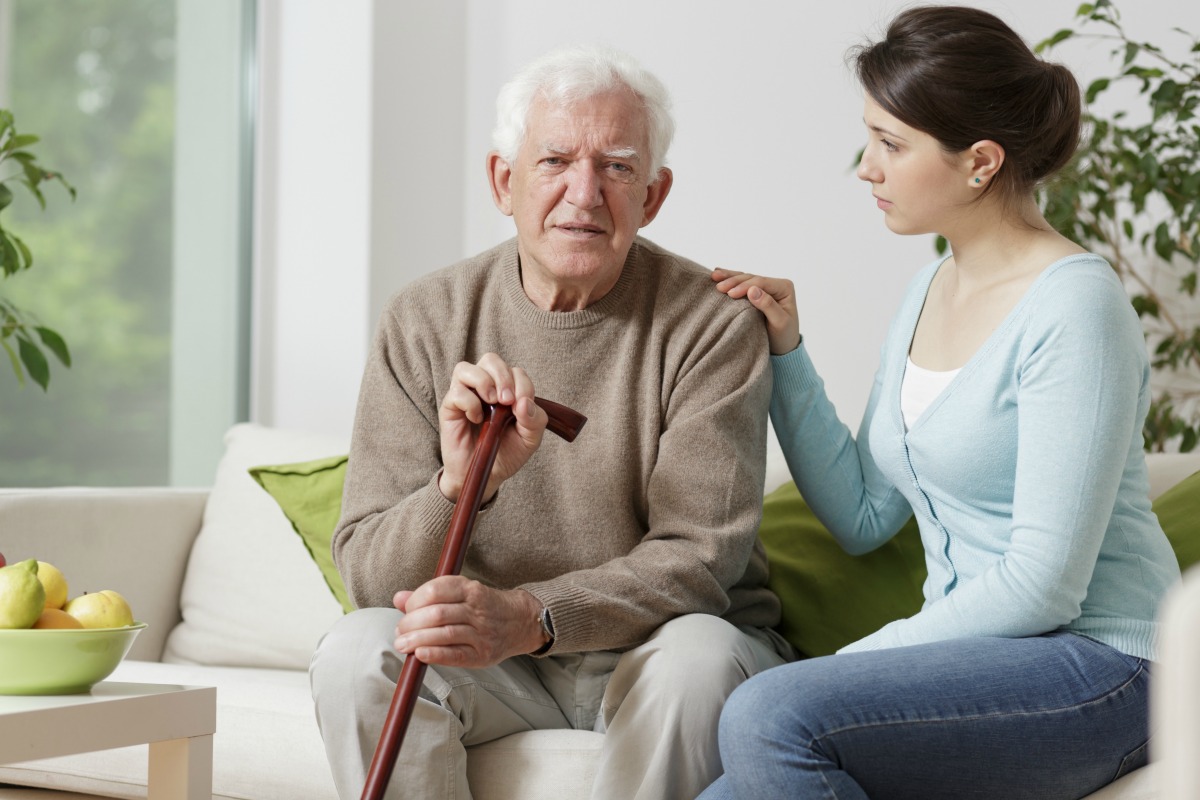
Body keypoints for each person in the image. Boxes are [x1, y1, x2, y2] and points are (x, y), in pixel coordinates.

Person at [699, 6, 1182, 799]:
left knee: (770, 715)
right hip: (987, 662)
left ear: (980, 163)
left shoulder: (1075, 308)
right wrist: (785, 351)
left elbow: (1043, 585)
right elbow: (861, 514)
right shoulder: (930, 287)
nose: (865, 166)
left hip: (1108, 667)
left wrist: (861, 659)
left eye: (891, 143)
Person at [308, 44, 795, 800]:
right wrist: (459, 483)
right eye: (555, 161)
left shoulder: (711, 324)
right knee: (357, 649)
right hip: (495, 669)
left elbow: (699, 560)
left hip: (654, 653)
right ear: (504, 181)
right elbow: (370, 576)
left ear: (653, 196)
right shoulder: (424, 318)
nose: (584, 194)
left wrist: (532, 614)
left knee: (699, 656)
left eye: (618, 168)